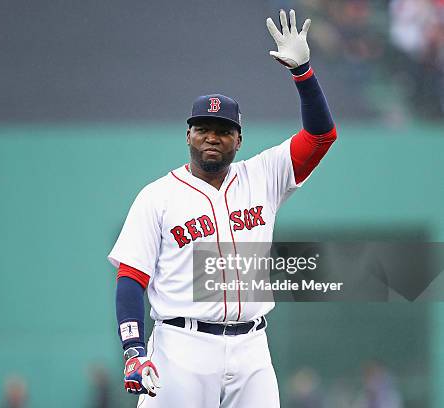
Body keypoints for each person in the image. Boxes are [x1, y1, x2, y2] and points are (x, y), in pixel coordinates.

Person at [108, 9, 337, 408]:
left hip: (252, 347)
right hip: (182, 346)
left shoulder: (263, 175)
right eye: (203, 130)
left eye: (223, 131)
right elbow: (131, 278)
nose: (212, 138)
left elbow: (320, 136)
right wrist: (133, 350)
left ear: (239, 139)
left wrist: (303, 73)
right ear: (188, 136)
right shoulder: (157, 196)